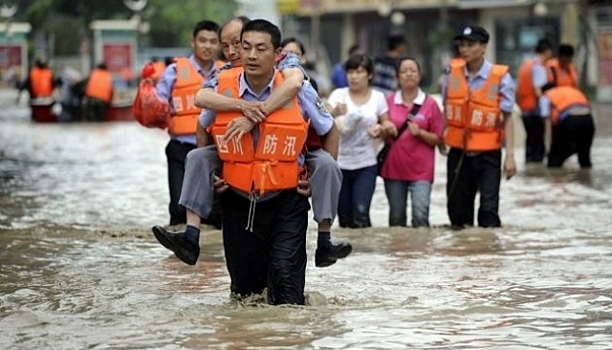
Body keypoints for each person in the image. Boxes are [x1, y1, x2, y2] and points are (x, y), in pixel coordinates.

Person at [152, 17, 351, 269]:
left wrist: (256, 115)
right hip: (239, 171)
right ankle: (191, 237)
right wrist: (241, 109)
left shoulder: (289, 67)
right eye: (229, 47)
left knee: (327, 166)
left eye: (239, 44)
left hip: (289, 161)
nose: (236, 52)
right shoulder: (223, 76)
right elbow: (202, 107)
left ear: (272, 50)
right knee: (197, 157)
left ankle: (325, 240)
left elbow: (300, 91)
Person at [205, 19, 333, 305]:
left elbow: (329, 129)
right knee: (245, 294)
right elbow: (203, 127)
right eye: (245, 47)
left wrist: (316, 179)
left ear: (277, 55)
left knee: (286, 285)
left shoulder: (298, 88)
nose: (251, 55)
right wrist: (214, 172)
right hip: (238, 199)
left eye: (260, 49)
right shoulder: (224, 87)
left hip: (287, 199)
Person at [442, 25, 517, 228]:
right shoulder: (451, 74)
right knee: (457, 212)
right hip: (459, 151)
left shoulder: (501, 77)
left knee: (488, 210)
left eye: (470, 44)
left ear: (483, 47)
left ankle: (488, 255)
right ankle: (464, 255)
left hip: (489, 154)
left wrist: (510, 156)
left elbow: (508, 118)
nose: (464, 49)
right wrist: (442, 137)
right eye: (462, 45)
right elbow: (446, 108)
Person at [155, 19, 221, 226]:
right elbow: (157, 104)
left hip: (215, 149)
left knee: (215, 211)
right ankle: (177, 249)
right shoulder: (174, 71)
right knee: (178, 206)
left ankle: (211, 254)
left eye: (213, 41)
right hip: (181, 148)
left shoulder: (225, 72)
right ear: (193, 41)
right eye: (202, 40)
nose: (207, 46)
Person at [326, 53, 395, 228]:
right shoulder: (338, 95)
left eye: (358, 72)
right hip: (340, 164)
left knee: (361, 212)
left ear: (369, 75)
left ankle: (366, 251)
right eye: (350, 72)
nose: (353, 77)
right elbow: (322, 116)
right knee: (344, 217)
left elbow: (387, 123)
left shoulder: (378, 98)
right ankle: (351, 255)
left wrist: (380, 129)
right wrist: (335, 112)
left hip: (366, 164)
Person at [380, 57, 444, 228]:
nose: (409, 74)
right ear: (397, 77)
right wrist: (384, 129)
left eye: (413, 71)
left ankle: (420, 253)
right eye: (404, 71)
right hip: (393, 170)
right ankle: (398, 253)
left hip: (421, 171)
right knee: (396, 219)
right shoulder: (387, 102)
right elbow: (377, 130)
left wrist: (420, 133)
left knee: (421, 216)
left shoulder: (430, 104)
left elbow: (439, 138)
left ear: (419, 75)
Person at [516, 37, 553, 163]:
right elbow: (539, 92)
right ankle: (537, 176)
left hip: (525, 109)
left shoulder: (526, 64)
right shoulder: (539, 67)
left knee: (530, 144)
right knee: (538, 147)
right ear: (547, 51)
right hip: (535, 111)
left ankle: (530, 176)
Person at [540, 85, 595, 169]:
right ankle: (586, 179)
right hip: (588, 120)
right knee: (584, 159)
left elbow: (547, 122)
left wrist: (548, 147)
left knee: (554, 161)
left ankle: (554, 179)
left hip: (570, 120)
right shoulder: (572, 90)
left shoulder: (546, 96)